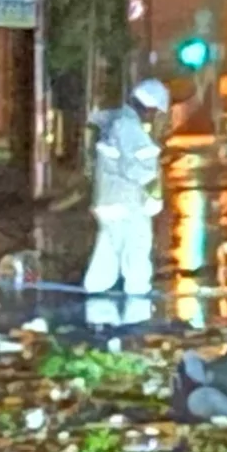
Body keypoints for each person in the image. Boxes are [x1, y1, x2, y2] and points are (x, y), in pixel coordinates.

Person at [81, 79, 169, 328]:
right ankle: (137, 318)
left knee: (107, 254)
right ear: (148, 106)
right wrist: (154, 197)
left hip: (108, 202)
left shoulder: (114, 122)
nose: (155, 116)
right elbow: (142, 170)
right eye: (155, 111)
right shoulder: (130, 128)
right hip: (127, 204)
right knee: (137, 257)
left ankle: (97, 314)